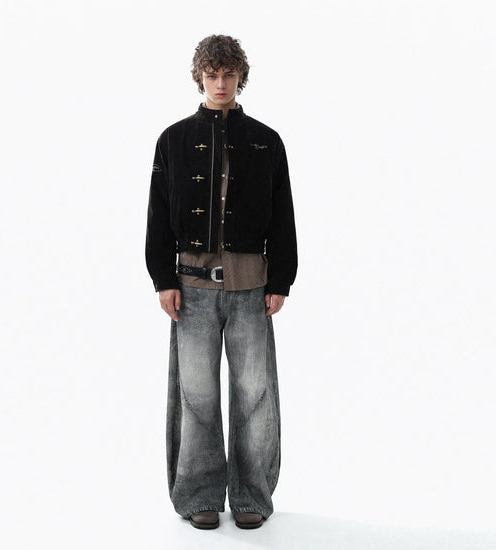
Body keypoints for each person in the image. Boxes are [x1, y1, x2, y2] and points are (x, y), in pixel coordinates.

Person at [145, 34, 297, 530]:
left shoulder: (266, 140)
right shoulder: (173, 140)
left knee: (254, 393)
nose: (220, 84)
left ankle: (251, 495)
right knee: (196, 395)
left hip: (252, 290)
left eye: (229, 74)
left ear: (240, 77)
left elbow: (282, 215)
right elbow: (158, 214)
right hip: (191, 290)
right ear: (199, 77)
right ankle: (199, 495)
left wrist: (281, 280)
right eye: (212, 75)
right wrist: (163, 278)